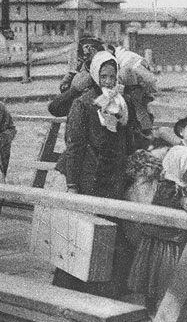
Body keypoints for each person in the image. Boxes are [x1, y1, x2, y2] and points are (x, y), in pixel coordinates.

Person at [52, 50, 142, 295]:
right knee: (83, 233)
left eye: (112, 77)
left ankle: (107, 287)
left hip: (113, 176)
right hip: (89, 176)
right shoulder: (83, 104)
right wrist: (72, 184)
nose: (108, 82)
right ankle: (70, 286)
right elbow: (74, 146)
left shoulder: (121, 104)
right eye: (103, 77)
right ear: (94, 76)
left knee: (110, 232)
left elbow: (127, 139)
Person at [125, 146, 187, 313]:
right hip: (163, 241)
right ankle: (155, 310)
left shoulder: (182, 187)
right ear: (178, 166)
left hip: (172, 238)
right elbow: (166, 214)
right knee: (159, 278)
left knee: (163, 279)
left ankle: (161, 309)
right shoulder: (168, 187)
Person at [48, 36, 105, 117]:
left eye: (91, 48)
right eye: (85, 47)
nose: (87, 50)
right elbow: (55, 108)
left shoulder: (105, 72)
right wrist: (72, 89)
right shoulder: (79, 74)